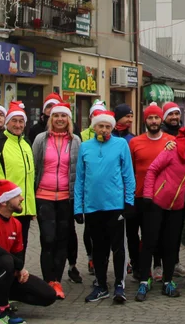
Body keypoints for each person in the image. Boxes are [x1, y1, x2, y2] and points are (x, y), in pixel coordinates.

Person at [0, 180, 57, 324]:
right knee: (6, 260)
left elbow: (18, 254)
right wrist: (19, 266)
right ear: (3, 202)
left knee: (49, 295)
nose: (22, 198)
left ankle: (1, 297)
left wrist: (19, 271)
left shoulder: (16, 224)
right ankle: (3, 313)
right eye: (17, 196)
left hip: (6, 274)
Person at [74, 109, 136, 304]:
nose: (104, 129)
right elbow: (80, 179)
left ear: (112, 127)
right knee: (99, 248)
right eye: (100, 126)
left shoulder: (120, 145)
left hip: (115, 206)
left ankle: (119, 284)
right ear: (94, 127)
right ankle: (101, 285)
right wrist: (78, 207)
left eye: (107, 126)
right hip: (93, 207)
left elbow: (128, 175)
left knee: (117, 247)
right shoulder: (85, 147)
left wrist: (129, 201)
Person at [136, 123, 185, 301]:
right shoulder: (172, 149)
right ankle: (144, 280)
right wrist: (148, 195)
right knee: (150, 242)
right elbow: (152, 170)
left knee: (171, 245)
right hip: (156, 202)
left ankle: (167, 281)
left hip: (177, 207)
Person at [32, 102, 81, 300]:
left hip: (65, 199)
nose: (60, 119)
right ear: (50, 119)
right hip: (43, 196)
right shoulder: (40, 139)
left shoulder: (76, 141)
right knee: (48, 239)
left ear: (68, 119)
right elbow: (33, 168)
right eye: (56, 116)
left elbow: (80, 171)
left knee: (62, 240)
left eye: (63, 116)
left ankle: (56, 281)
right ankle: (47, 280)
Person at [127, 104, 175, 283]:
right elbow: (129, 168)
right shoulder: (135, 142)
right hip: (138, 196)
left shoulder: (170, 141)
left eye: (156, 118)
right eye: (150, 118)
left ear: (161, 119)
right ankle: (138, 267)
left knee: (155, 234)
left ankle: (157, 266)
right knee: (133, 234)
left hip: (159, 197)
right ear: (145, 120)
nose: (154, 121)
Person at [0, 102, 37, 252]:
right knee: (5, 247)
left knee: (21, 247)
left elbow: (30, 178)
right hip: (6, 207)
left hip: (23, 207)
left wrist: (31, 208)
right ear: (7, 123)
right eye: (14, 121)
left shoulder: (26, 143)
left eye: (21, 121)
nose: (18, 125)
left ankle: (19, 274)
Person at [78, 99, 106, 278]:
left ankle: (103, 259)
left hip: (107, 193)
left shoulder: (110, 134)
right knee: (89, 229)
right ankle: (91, 257)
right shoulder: (81, 136)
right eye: (94, 116)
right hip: (89, 192)